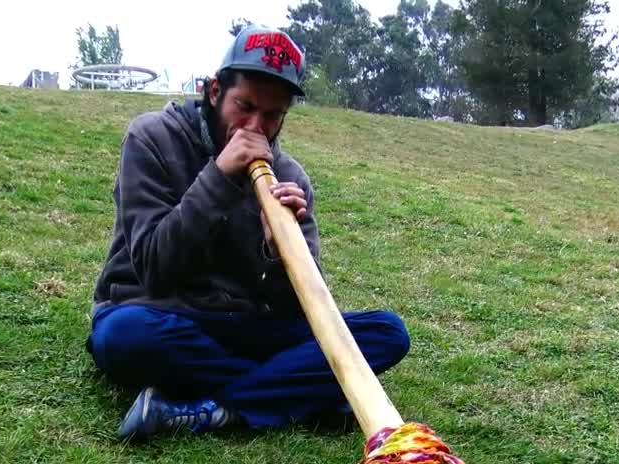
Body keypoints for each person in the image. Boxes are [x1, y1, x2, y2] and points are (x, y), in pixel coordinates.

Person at [87, 27, 410, 441]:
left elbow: (309, 311)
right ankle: (302, 391)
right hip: (160, 313)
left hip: (245, 327)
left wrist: (279, 254)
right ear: (215, 91)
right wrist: (219, 176)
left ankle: (216, 411)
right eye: (245, 106)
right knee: (122, 336)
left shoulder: (289, 176)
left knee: (385, 333)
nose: (256, 127)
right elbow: (153, 266)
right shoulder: (152, 137)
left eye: (272, 115)